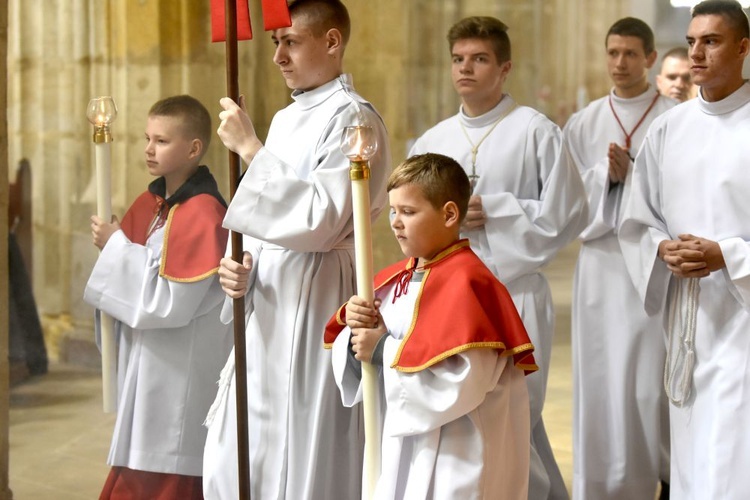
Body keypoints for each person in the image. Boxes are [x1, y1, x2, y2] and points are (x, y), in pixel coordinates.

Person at [200, 0, 391, 498]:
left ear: (331, 42)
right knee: (242, 451)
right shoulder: (287, 118)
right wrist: (239, 266)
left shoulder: (354, 119)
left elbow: (322, 221)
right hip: (269, 301)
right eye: (274, 44)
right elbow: (261, 219)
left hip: (317, 300)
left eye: (291, 42)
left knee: (303, 442)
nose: (278, 57)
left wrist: (250, 151)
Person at [408, 16, 588, 500]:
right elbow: (405, 213)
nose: (465, 68)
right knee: (467, 418)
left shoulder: (535, 131)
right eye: (458, 59)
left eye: (479, 59)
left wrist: (500, 211)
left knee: (517, 416)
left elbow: (568, 212)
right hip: (449, 296)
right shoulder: (433, 140)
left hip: (514, 291)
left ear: (504, 68)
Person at [326, 153, 537, 499]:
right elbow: (362, 355)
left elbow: (463, 382)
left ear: (450, 214)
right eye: (393, 211)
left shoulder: (471, 285)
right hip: (400, 445)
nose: (395, 222)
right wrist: (355, 328)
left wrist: (381, 349)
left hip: (456, 452)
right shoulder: (391, 281)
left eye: (408, 212)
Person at [619, 1, 750, 498]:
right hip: (689, 316)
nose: (696, 51)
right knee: (693, 449)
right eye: (692, 40)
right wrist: (661, 250)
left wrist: (729, 257)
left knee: (735, 451)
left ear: (743, 48)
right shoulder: (669, 128)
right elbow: (637, 217)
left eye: (711, 41)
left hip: (742, 319)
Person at [83, 94, 233, 499]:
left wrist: (116, 249)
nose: (149, 149)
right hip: (148, 363)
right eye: (147, 138)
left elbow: (169, 304)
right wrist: (117, 249)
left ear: (194, 148)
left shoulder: (204, 213)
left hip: (177, 370)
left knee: (165, 472)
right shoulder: (152, 205)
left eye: (162, 141)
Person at [562, 17, 675, 500]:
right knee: (600, 378)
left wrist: (633, 179)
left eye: (630, 53)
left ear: (650, 58)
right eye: (613, 53)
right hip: (600, 267)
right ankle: (604, 485)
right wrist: (604, 180)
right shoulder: (584, 121)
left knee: (649, 385)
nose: (620, 63)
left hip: (650, 269)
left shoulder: (673, 117)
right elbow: (565, 203)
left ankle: (662, 477)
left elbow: (680, 197)